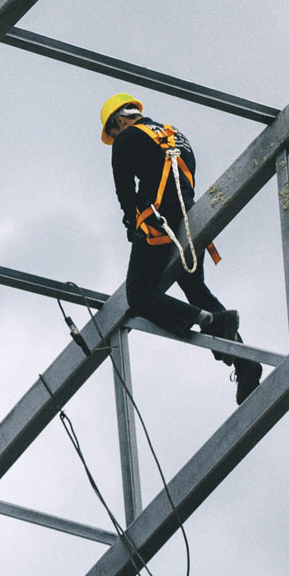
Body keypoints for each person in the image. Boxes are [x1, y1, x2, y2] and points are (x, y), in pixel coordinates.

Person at [101, 92, 262, 405]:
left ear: (119, 120)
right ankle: (245, 363)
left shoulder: (127, 139)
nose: (114, 138)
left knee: (139, 295)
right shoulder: (176, 135)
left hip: (158, 222)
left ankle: (207, 321)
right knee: (196, 288)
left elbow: (125, 191)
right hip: (190, 221)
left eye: (113, 132)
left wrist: (133, 226)